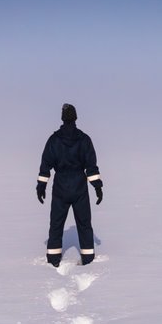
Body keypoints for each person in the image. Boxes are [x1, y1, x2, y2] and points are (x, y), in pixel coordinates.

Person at [36, 103, 103, 266]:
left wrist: (41, 186)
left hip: (60, 187)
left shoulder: (54, 140)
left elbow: (45, 164)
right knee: (84, 224)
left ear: (62, 118)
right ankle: (88, 260)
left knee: (56, 224)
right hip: (79, 187)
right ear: (75, 118)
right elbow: (91, 166)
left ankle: (53, 260)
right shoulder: (84, 139)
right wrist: (97, 186)